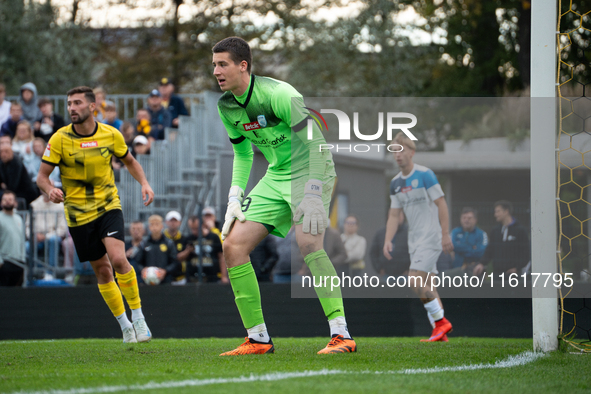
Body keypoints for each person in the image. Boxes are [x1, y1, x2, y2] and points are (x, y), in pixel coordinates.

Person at [213, 37, 355, 355]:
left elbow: (318, 144)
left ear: (243, 66)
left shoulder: (280, 94)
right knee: (233, 246)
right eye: (214, 65)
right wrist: (234, 196)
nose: (216, 71)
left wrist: (315, 192)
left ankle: (342, 335)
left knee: (308, 245)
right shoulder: (226, 106)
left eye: (223, 64)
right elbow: (243, 154)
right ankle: (258, 339)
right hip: (276, 176)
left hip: (312, 172)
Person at [36, 86, 155, 344]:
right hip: (78, 215)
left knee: (118, 259)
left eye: (77, 103)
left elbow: (130, 161)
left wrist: (144, 183)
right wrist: (50, 190)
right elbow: (42, 177)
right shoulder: (58, 139)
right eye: (69, 104)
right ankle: (124, 326)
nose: (72, 108)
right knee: (102, 271)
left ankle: (138, 317)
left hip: (108, 206)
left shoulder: (111, 134)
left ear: (92, 107)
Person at [384, 132, 454, 342]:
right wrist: (388, 239)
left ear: (412, 152)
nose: (397, 155)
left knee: (414, 279)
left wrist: (444, 234)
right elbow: (394, 214)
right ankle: (439, 331)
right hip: (414, 241)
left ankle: (441, 322)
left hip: (431, 237)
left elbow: (441, 203)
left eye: (401, 150)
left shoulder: (425, 175)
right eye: (394, 151)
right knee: (428, 285)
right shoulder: (395, 183)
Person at [473, 201, 530, 277]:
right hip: (497, 274)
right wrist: (482, 264)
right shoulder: (495, 231)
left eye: (498, 211)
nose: (495, 215)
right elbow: (490, 250)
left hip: (514, 275)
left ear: (506, 211)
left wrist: (517, 268)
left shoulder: (520, 231)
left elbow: (526, 252)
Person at [133, 215, 181, 284]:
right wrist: (143, 269)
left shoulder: (169, 243)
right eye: (152, 224)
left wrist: (165, 271)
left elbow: (175, 262)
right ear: (149, 227)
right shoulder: (144, 243)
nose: (154, 227)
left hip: (165, 282)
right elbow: (138, 261)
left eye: (157, 224)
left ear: (162, 226)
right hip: (147, 281)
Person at [181, 215, 227, 283]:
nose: (194, 231)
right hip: (192, 278)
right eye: (192, 229)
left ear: (203, 225)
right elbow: (179, 258)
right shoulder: (188, 239)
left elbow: (221, 257)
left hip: (211, 277)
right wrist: (187, 251)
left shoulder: (213, 237)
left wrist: (224, 276)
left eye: (196, 228)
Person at [28, 193, 67, 273]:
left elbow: (62, 229)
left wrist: (46, 237)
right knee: (26, 247)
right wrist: (32, 235)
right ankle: (32, 274)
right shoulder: (34, 205)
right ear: (40, 190)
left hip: (53, 236)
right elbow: (27, 226)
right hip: (37, 237)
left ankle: (50, 273)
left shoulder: (60, 206)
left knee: (53, 240)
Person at [445, 207, 488, 276]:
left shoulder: (481, 234)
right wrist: (472, 248)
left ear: (475, 220)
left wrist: (460, 249)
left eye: (469, 218)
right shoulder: (455, 232)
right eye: (464, 218)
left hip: (474, 271)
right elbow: (452, 247)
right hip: (456, 269)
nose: (466, 220)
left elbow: (481, 252)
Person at [370, 211, 410, 278]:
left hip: (405, 275)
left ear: (403, 216)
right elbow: (373, 253)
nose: (397, 218)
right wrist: (379, 269)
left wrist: (410, 269)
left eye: (399, 215)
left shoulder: (409, 232)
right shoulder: (381, 233)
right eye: (395, 215)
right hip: (387, 275)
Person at [0, 191, 26, 286]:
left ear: (15, 203)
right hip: (4, 261)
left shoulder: (19, 219)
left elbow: (22, 240)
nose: (7, 201)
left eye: (10, 199)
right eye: (5, 199)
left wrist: (23, 260)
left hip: (18, 263)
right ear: (1, 202)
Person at [164, 210, 189, 284]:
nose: (173, 223)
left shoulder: (184, 239)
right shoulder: (162, 239)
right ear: (166, 222)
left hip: (181, 278)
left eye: (175, 221)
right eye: (171, 221)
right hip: (165, 278)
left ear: (179, 223)